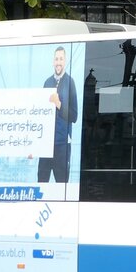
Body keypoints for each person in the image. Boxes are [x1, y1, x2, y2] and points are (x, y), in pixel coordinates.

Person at [38, 46, 78, 184]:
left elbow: (74, 116)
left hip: (62, 145)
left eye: (61, 59)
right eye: (56, 59)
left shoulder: (70, 82)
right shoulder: (47, 82)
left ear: (65, 61)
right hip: (45, 145)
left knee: (61, 186)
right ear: (53, 62)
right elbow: (40, 115)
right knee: (41, 184)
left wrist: (59, 104)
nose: (58, 62)